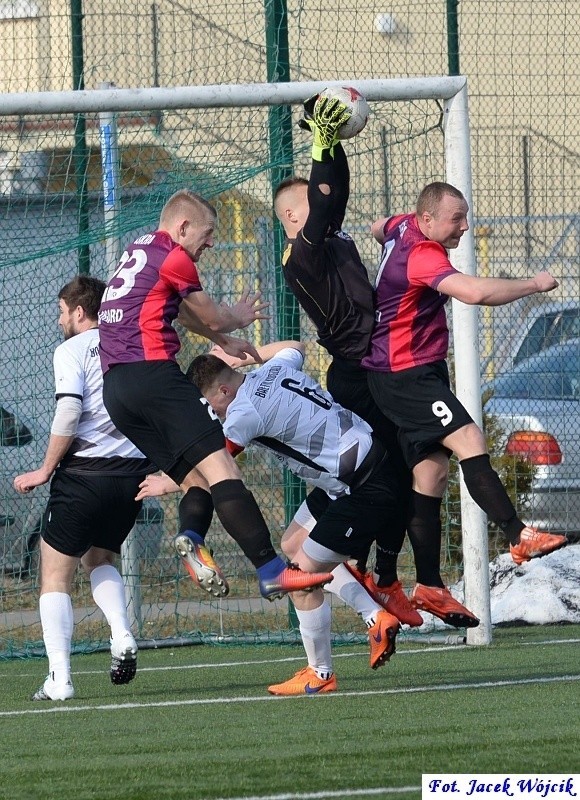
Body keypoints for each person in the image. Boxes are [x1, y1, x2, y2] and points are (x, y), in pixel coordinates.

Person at [272, 92, 466, 628]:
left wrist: (331, 147)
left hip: (376, 366)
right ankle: (369, 572)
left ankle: (383, 575)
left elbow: (336, 193)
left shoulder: (329, 236)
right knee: (385, 478)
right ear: (292, 216)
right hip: (360, 373)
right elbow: (327, 196)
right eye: (309, 204)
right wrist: (321, 146)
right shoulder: (302, 251)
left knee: (404, 471)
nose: (323, 209)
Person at [97, 189, 333, 601]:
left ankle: (191, 536)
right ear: (182, 226)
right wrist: (234, 318)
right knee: (224, 470)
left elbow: (184, 314)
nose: (210, 243)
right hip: (154, 376)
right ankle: (272, 570)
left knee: (196, 479)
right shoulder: (174, 255)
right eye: (206, 234)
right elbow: (206, 312)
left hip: (117, 392)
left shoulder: (141, 249)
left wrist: (224, 338)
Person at [361, 180, 568, 617]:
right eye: (457, 219)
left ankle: (430, 586)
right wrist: (533, 284)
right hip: (406, 375)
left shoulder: (403, 228)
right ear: (429, 219)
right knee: (471, 440)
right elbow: (474, 293)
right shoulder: (422, 253)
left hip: (407, 372)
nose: (465, 227)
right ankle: (518, 534)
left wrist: (392, 235)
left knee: (431, 475)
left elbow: (378, 227)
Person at [186, 342, 405, 695]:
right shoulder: (275, 368)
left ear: (225, 390)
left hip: (362, 487)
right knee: (293, 543)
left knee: (299, 578)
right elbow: (296, 347)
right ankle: (375, 617)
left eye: (214, 405)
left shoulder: (243, 412)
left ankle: (320, 675)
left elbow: (216, 465)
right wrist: (247, 353)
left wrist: (167, 480)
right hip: (355, 468)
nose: (216, 414)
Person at [13, 276, 151, 701]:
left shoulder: (71, 349)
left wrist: (44, 468)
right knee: (100, 557)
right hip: (131, 475)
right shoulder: (132, 346)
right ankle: (122, 634)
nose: (59, 321)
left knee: (54, 573)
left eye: (61, 312)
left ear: (78, 311)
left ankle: (60, 678)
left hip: (84, 475)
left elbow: (70, 410)